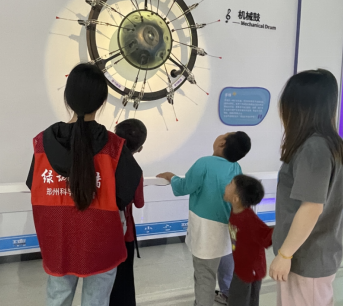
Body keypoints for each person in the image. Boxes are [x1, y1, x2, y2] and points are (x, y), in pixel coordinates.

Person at [26, 63, 142, 307]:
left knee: (57, 299)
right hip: (101, 242)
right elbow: (126, 193)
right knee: (96, 301)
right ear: (102, 102)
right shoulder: (114, 147)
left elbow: (33, 184)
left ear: (67, 98)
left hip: (57, 239)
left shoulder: (42, 144)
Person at [270, 69, 343, 306]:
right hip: (306, 255)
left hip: (307, 258)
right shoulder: (322, 144)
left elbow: (311, 208)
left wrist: (285, 255)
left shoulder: (315, 147)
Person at [157, 131, 252, 307]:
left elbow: (185, 187)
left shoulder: (204, 163)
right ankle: (227, 296)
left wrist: (172, 177)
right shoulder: (236, 167)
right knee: (226, 266)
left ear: (222, 143)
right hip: (229, 227)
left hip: (207, 230)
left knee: (205, 274)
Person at [110, 119, 147, 306]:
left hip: (102, 231)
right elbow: (139, 203)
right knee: (123, 280)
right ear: (139, 148)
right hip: (125, 235)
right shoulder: (135, 171)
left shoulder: (103, 163)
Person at [223, 175, 272, 306]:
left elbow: (268, 237)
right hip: (241, 267)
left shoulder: (249, 220)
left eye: (230, 184)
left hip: (249, 270)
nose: (226, 186)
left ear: (236, 199)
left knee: (239, 301)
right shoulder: (235, 211)